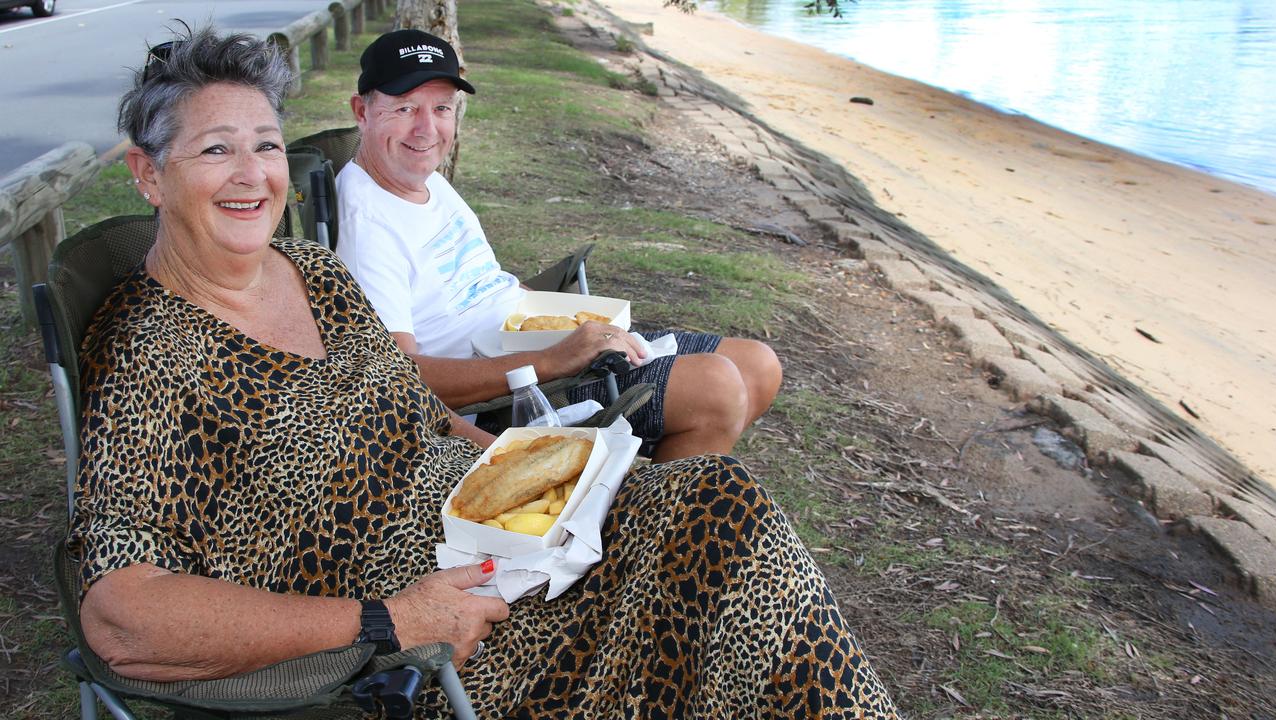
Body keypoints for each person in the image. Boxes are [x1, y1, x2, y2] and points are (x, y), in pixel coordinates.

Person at [67, 27, 899, 718]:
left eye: (268, 146)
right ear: (149, 173)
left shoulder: (311, 273)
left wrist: (537, 464)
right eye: (216, 150)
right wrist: (389, 620)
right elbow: (122, 614)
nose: (252, 175)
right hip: (437, 612)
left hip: (503, 531)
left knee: (715, 496)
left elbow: (416, 408)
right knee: (699, 587)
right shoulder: (149, 353)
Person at [335, 30, 782, 463]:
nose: (426, 129)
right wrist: (553, 358)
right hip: (507, 397)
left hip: (531, 345)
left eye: (441, 108)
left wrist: (563, 326)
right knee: (716, 389)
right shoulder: (367, 222)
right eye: (405, 108)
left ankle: (639, 489)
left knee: (758, 365)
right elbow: (398, 376)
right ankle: (638, 520)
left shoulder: (420, 179)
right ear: (362, 110)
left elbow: (480, 284)